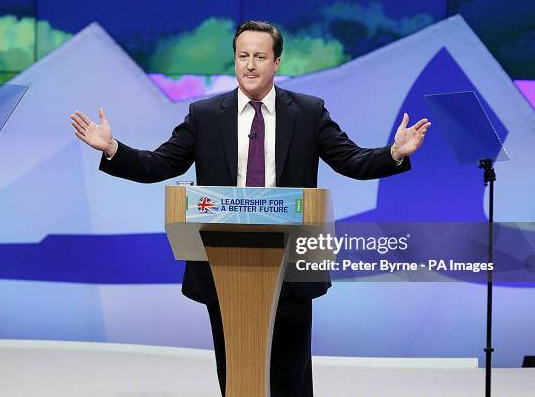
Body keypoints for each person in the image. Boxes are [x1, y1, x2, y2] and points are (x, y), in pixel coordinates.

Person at [70, 20, 431, 396]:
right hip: (225, 263)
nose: (250, 65)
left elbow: (351, 160)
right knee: (236, 374)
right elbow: (159, 164)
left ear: (276, 63)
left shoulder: (308, 113)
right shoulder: (205, 115)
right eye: (243, 56)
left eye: (260, 56)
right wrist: (113, 149)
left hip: (291, 262)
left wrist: (393, 153)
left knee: (290, 376)